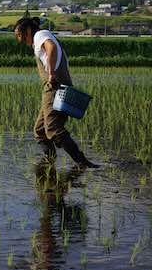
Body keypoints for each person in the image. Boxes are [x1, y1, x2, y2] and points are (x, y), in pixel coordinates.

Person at [13, 17, 98, 168]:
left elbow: (51, 47)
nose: (19, 39)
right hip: (54, 86)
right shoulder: (41, 37)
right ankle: (49, 162)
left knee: (52, 128)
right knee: (40, 131)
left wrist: (51, 72)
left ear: (27, 30)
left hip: (54, 86)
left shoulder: (40, 35)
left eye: (19, 35)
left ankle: (82, 162)